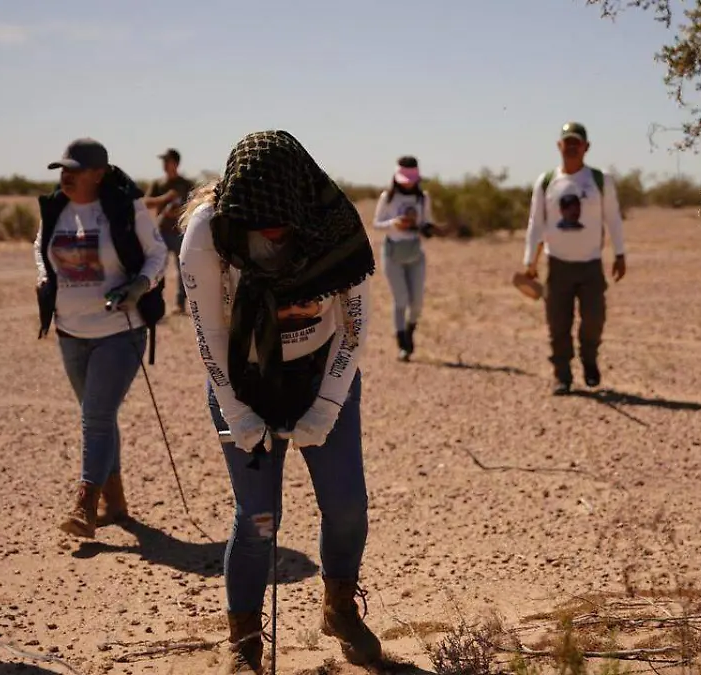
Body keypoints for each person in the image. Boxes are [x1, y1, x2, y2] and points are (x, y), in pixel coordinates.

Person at [179, 130, 381, 674]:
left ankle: (339, 606)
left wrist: (326, 407)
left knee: (347, 506)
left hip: (322, 375)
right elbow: (210, 337)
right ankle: (244, 639)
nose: (271, 231)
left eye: (280, 221)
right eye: (258, 222)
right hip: (243, 381)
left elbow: (355, 329)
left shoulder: (333, 220)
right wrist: (238, 413)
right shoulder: (207, 232)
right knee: (260, 518)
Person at [34, 138, 168, 539]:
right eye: (62, 169)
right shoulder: (56, 207)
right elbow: (39, 249)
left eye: (75, 169)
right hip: (69, 331)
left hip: (118, 332)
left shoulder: (125, 209)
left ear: (99, 173)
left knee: (94, 416)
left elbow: (157, 254)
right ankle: (117, 501)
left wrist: (139, 286)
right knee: (100, 416)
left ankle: (85, 505)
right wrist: (43, 280)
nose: (66, 176)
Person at [522, 122, 626, 395]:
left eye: (576, 142)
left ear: (586, 147)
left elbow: (613, 218)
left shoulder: (600, 180)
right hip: (557, 263)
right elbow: (536, 223)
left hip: (591, 263)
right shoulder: (546, 182)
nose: (571, 147)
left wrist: (619, 253)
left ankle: (589, 359)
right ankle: (562, 374)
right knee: (558, 323)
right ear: (559, 146)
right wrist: (528, 261)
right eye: (566, 142)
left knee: (594, 318)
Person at [373, 156, 435, 361]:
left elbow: (427, 222)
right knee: (401, 300)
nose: (408, 183)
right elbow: (376, 223)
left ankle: (409, 331)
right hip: (393, 254)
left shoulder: (423, 198)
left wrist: (426, 228)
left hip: (415, 254)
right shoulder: (388, 198)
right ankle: (403, 344)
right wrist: (394, 223)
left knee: (416, 302)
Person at [144, 148, 195, 314]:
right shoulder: (158, 184)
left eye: (168, 161)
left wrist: (179, 212)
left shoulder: (186, 184)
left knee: (184, 270)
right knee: (158, 270)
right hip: (162, 232)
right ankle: (157, 304)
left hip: (181, 233)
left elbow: (195, 203)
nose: (165, 165)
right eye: (164, 161)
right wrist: (164, 199)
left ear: (176, 163)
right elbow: (145, 202)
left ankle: (180, 304)